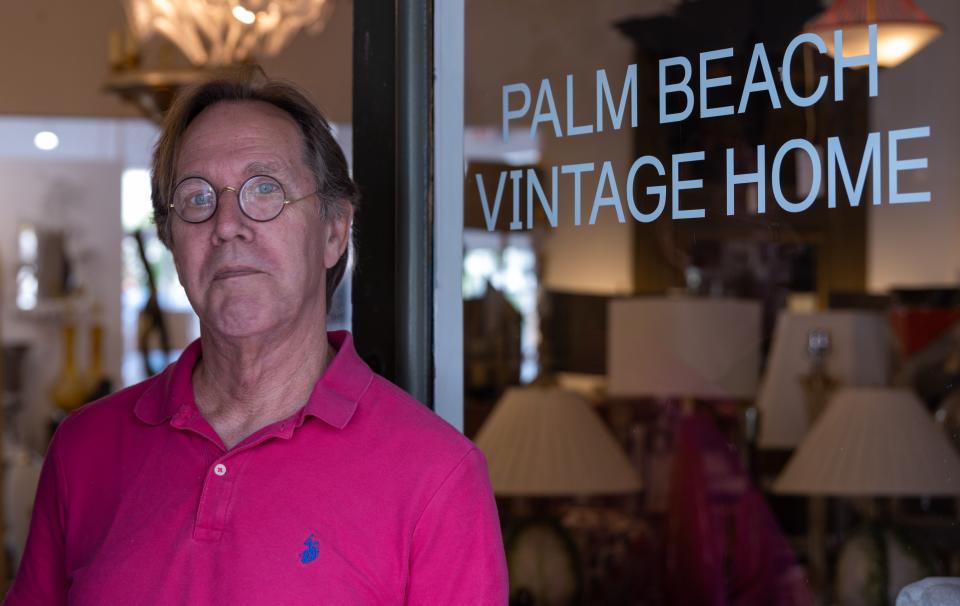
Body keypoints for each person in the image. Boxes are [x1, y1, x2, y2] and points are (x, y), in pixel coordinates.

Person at [5, 76, 508, 605]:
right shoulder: (86, 449)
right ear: (172, 242)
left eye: (264, 189)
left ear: (334, 231)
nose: (227, 225)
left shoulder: (438, 477)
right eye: (196, 196)